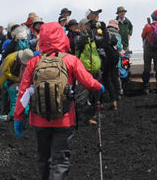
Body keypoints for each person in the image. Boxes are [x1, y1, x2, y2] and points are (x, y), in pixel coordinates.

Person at [13, 21, 104, 180]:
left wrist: (18, 117)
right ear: (62, 37)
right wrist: (99, 88)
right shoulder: (70, 60)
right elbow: (88, 82)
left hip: (39, 119)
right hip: (64, 118)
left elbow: (23, 91)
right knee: (60, 161)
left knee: (43, 159)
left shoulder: (34, 62)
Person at [0, 48, 34, 121]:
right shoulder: (10, 58)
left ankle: (10, 112)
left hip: (13, 78)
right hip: (3, 78)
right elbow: (6, 72)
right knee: (5, 95)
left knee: (12, 96)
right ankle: (4, 112)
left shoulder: (21, 59)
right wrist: (17, 79)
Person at [140, 10, 157, 93]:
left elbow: (143, 35)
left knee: (147, 67)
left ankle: (146, 87)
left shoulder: (148, 27)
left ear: (152, 17)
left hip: (148, 48)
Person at [103, 19, 123, 109]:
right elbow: (119, 48)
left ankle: (108, 95)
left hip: (107, 59)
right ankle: (118, 93)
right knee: (116, 76)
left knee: (107, 77)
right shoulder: (118, 35)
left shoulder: (106, 33)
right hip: (116, 58)